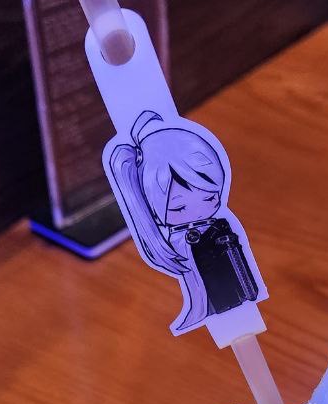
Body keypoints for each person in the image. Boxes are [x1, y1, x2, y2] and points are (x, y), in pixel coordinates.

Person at [108, 110, 260, 333]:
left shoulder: (218, 230)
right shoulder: (176, 242)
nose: (198, 212)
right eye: (178, 208)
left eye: (210, 197)